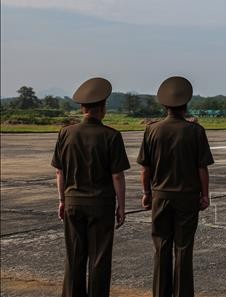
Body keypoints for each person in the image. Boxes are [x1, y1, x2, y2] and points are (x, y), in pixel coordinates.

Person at [51, 77, 130, 297]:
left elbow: (59, 172)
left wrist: (62, 200)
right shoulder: (111, 136)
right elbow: (117, 176)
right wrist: (121, 206)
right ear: (102, 108)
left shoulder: (65, 133)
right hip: (100, 204)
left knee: (74, 257)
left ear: (83, 108)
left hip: (72, 202)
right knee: (99, 259)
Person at [137, 76, 214, 297]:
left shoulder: (152, 130)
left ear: (164, 105)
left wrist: (146, 193)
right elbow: (202, 169)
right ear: (186, 105)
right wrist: (205, 195)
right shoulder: (195, 131)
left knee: (161, 247)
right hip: (187, 196)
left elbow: (145, 169)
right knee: (183, 248)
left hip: (160, 195)